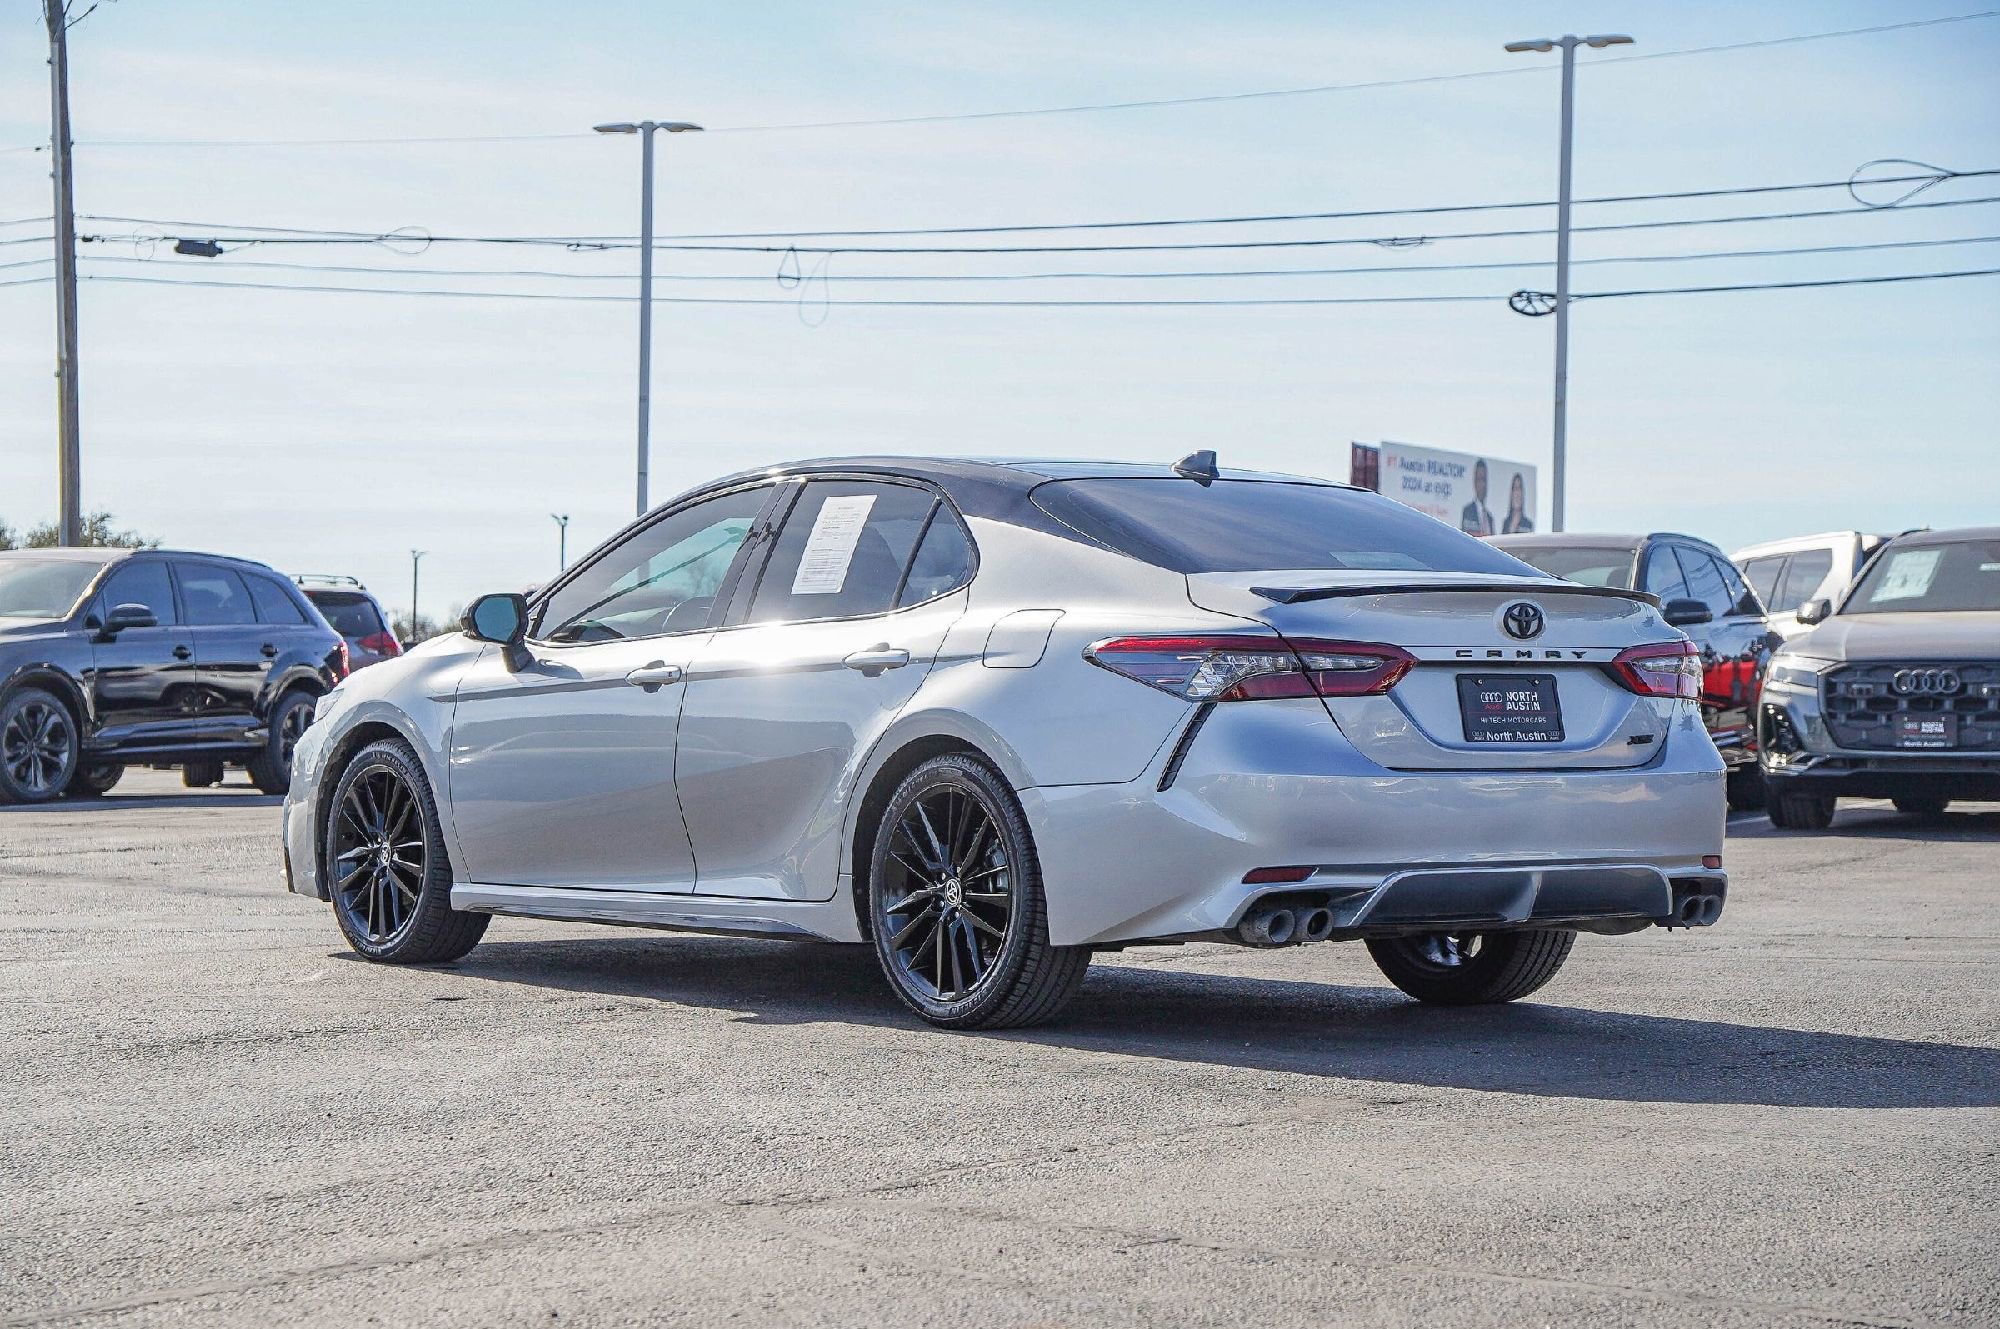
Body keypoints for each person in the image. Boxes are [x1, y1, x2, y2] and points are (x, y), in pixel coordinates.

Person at [1459, 458, 1495, 535]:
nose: (1483, 485)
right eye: (1479, 480)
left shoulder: (1489, 518)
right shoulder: (1468, 511)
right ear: (1474, 482)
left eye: (1484, 480)